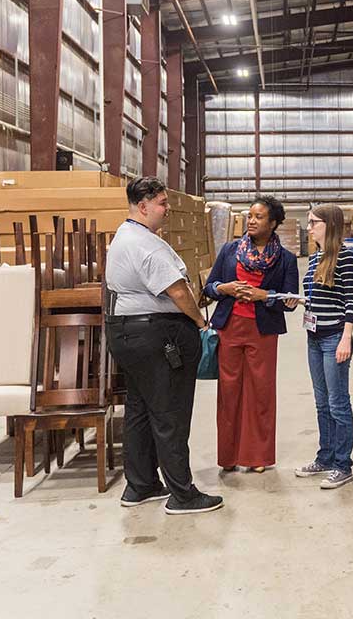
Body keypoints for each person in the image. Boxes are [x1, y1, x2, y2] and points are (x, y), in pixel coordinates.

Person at [104, 176, 223, 515]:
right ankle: (183, 494)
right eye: (162, 204)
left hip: (126, 332)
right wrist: (200, 322)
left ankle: (141, 485)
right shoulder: (147, 246)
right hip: (156, 335)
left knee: (140, 410)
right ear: (143, 207)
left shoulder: (124, 236)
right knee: (169, 412)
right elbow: (179, 291)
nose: (167, 210)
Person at [203, 196, 300, 473]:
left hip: (263, 332)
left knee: (261, 393)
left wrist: (264, 295)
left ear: (273, 223)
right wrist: (226, 288)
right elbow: (209, 288)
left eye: (259, 217)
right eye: (250, 216)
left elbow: (289, 301)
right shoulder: (230, 251)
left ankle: (257, 457)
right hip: (229, 329)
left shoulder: (285, 260)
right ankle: (229, 457)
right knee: (229, 392)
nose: (252, 221)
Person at [294, 204, 353, 489]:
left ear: (329, 225)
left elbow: (350, 301)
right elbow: (317, 297)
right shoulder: (315, 258)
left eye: (313, 223)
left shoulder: (344, 257)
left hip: (335, 338)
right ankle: (326, 457)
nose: (308, 228)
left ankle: (343, 465)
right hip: (314, 337)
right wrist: (298, 301)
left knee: (338, 403)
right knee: (322, 403)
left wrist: (346, 338)